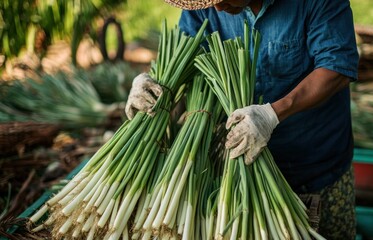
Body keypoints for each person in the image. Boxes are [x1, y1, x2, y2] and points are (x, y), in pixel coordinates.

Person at [126, 0, 359, 238]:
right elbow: (186, 60)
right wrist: (159, 87)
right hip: (236, 166)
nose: (216, 7)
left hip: (314, 167)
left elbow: (336, 68)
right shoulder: (205, 8)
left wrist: (272, 114)